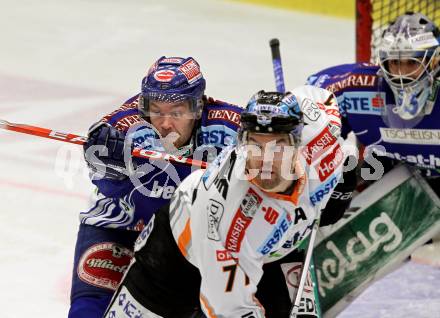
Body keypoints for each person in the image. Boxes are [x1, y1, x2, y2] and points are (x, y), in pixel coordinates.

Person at [103, 86, 346, 318]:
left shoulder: (319, 132)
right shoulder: (232, 219)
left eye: (278, 145)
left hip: (266, 252)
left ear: (298, 143)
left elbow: (323, 99)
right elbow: (228, 310)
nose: (266, 160)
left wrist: (343, 173)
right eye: (255, 145)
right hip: (174, 259)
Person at [69, 56, 244, 318]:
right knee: (88, 311)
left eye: (176, 112)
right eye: (157, 110)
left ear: (197, 107)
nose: (164, 123)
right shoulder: (124, 126)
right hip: (120, 227)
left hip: (187, 241)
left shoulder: (230, 127)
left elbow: (276, 152)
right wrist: (108, 160)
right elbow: (106, 182)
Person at [306, 10, 440, 298]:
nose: (401, 73)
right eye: (395, 63)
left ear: (434, 62)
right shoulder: (351, 89)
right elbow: (309, 126)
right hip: (392, 173)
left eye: (411, 64)